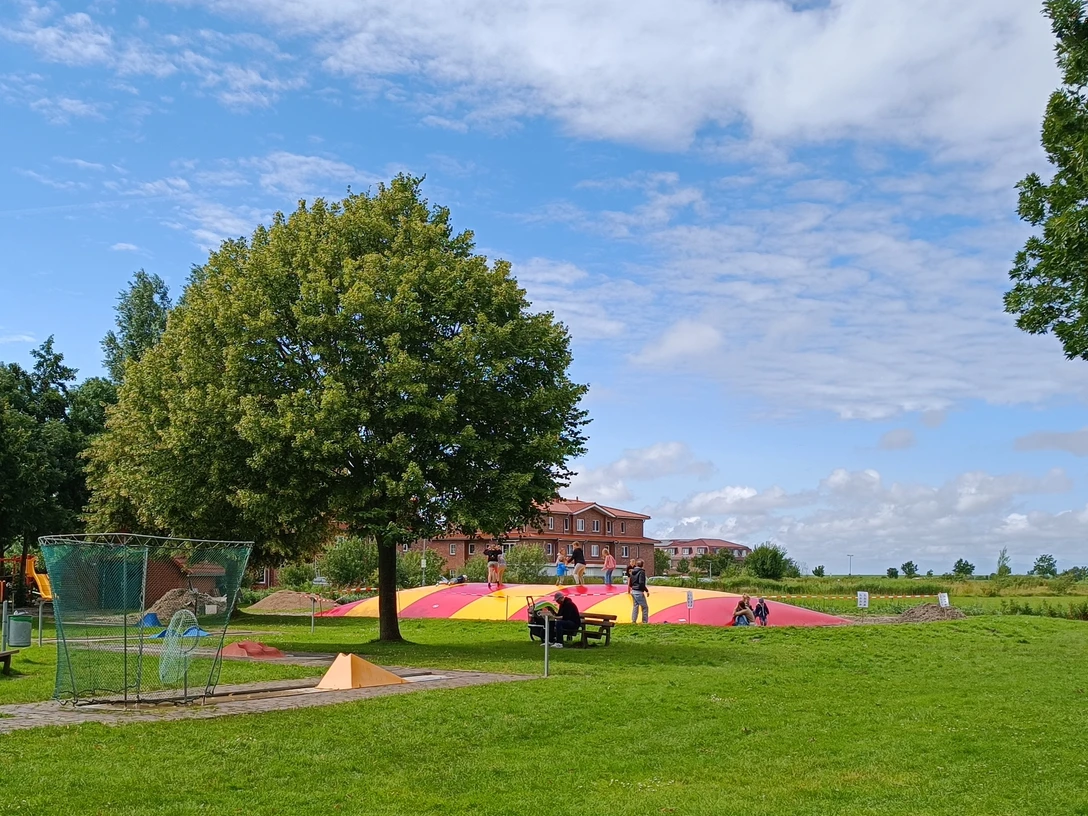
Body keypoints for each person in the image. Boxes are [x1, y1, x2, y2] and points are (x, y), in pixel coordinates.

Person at [628, 559, 649, 624]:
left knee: (635, 606)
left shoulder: (632, 572)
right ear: (642, 565)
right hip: (638, 592)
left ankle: (633, 621)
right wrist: (646, 590)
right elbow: (641, 583)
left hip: (633, 591)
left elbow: (630, 583)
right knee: (645, 607)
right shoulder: (641, 572)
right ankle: (644, 621)